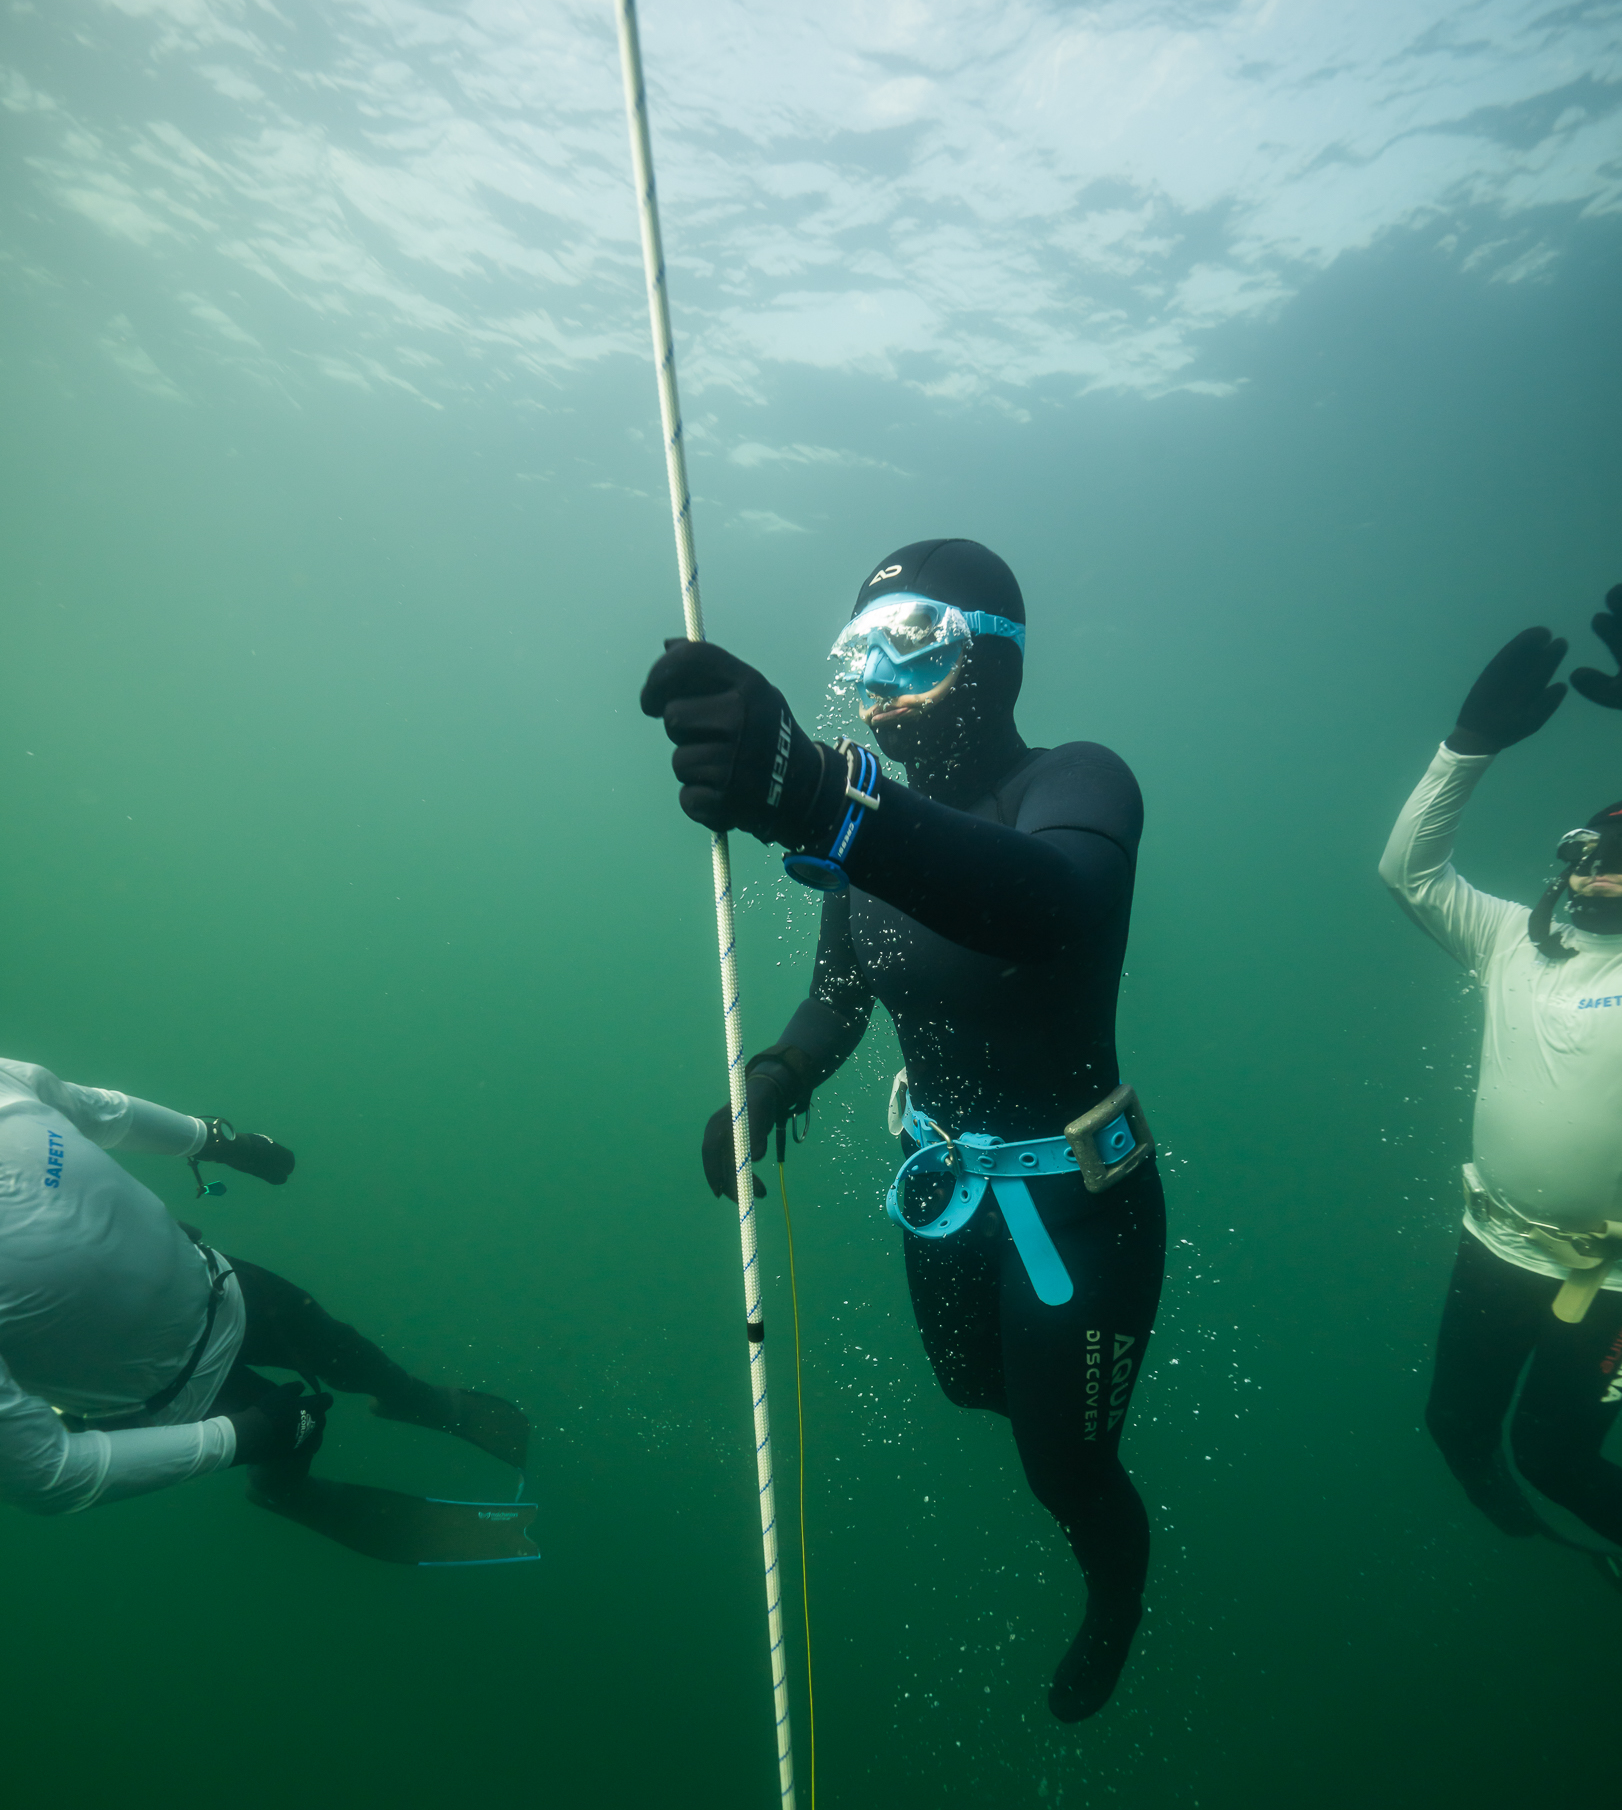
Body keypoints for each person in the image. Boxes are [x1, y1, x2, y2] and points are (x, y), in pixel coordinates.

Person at [641, 539, 1164, 1720]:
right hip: (940, 1192)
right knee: (968, 1389)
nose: (876, 680)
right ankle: (1044, 1410)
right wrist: (771, 1077)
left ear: (993, 653)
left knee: (1062, 1467)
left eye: (911, 642)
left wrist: (832, 797)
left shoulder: (1075, 781)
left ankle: (1116, 1596)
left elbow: (1059, 907)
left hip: (1078, 1210)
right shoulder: (872, 840)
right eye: (857, 655)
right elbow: (839, 996)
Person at [1380, 582, 1622, 1604]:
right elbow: (1409, 873)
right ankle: (1536, 1543)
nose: (1594, 872)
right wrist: (1465, 747)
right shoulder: (1512, 940)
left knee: (1555, 1453)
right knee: (1452, 1428)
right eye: (1584, 852)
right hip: (1493, 1241)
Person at [0, 1058, 534, 1563]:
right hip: (163, 1391)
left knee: (345, 1348)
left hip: (217, 1283)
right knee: (297, 1434)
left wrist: (216, 1142)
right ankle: (283, 1490)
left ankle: (410, 1398)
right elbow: (45, 1477)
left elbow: (94, 1109)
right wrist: (243, 1437)